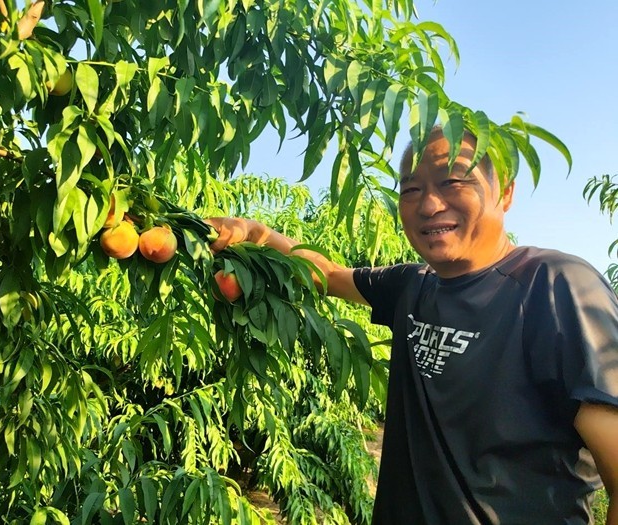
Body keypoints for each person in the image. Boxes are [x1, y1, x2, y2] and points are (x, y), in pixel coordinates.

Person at [206, 127, 618, 525]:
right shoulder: (412, 286)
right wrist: (256, 233)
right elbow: (328, 275)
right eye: (411, 189)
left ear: (505, 192)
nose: (429, 205)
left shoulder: (556, 286)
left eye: (452, 181)